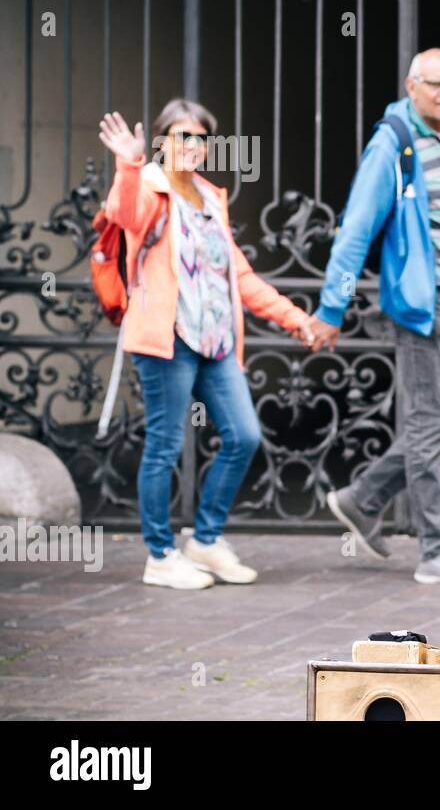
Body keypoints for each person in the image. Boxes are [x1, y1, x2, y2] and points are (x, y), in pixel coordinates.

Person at [99, 102, 315, 590]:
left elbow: (238, 274)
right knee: (165, 445)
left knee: (244, 435)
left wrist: (296, 319)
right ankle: (160, 555)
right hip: (167, 339)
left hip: (216, 341)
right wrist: (129, 163)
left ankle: (206, 539)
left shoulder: (209, 197)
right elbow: (123, 213)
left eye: (199, 137)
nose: (190, 146)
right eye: (179, 136)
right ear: (161, 142)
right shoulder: (150, 188)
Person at [307, 48, 440, 585]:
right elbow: (354, 233)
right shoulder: (392, 143)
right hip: (422, 301)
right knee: (427, 421)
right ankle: (435, 550)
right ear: (411, 86)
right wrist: (330, 308)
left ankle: (363, 497)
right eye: (435, 84)